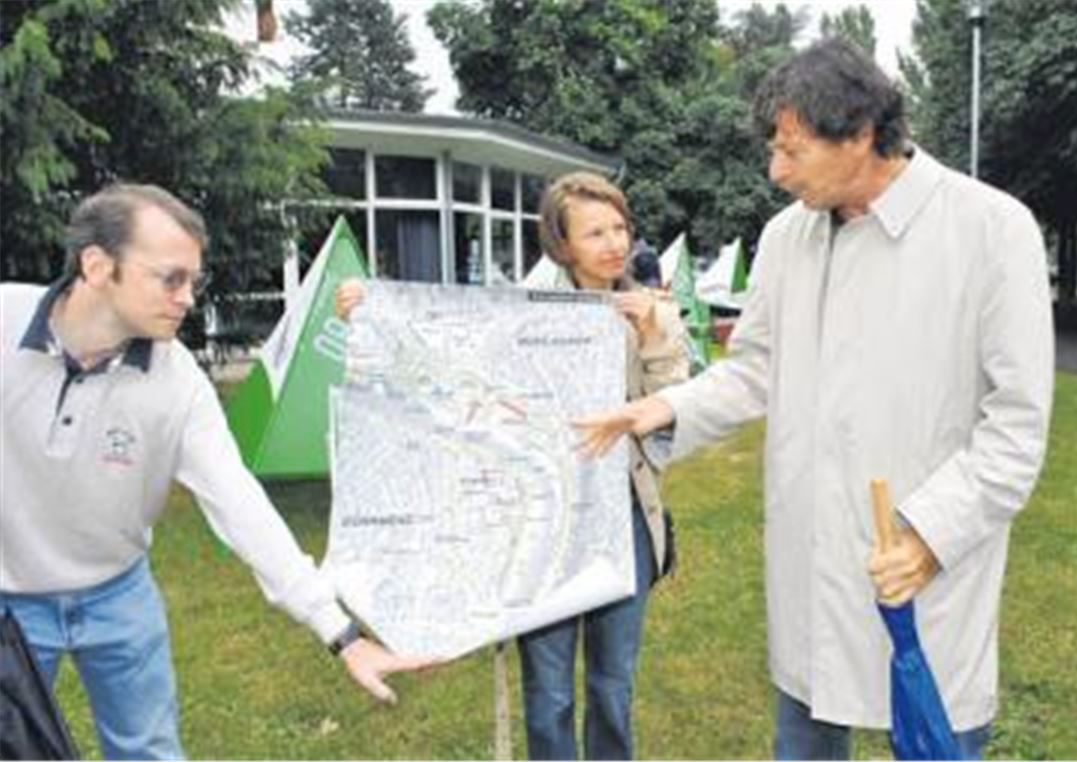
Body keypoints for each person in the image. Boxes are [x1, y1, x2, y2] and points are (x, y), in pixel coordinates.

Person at [575, 39, 1054, 760]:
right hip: (811, 570)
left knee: (934, 732)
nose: (775, 171)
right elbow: (755, 369)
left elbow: (1015, 428)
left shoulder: (991, 231)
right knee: (804, 730)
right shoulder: (785, 237)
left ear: (860, 134)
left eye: (792, 151)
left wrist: (930, 537)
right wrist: (664, 409)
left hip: (923, 571)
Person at [0, 184, 432, 760]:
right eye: (170, 279)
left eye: (193, 282)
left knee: (149, 751)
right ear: (98, 266)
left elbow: (241, 507)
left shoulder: (178, 382)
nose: (188, 299)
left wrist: (342, 633)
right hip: (9, 600)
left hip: (118, 595)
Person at [334, 171, 689, 760]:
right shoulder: (521, 315)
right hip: (543, 522)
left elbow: (676, 408)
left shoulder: (655, 312)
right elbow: (450, 362)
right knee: (549, 692)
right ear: (562, 245)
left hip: (622, 521)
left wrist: (651, 337)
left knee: (612, 685)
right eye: (594, 232)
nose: (614, 243)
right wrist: (373, 312)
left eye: (620, 227)